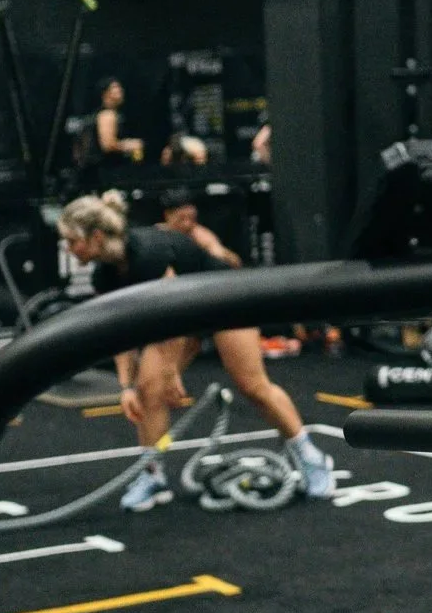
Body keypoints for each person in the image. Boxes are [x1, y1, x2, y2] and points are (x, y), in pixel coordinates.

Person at [55, 191, 334, 510]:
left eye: (71, 240)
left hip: (226, 299)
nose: (68, 248)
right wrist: (126, 387)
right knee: (148, 390)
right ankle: (152, 475)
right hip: (185, 315)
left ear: (96, 236)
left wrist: (172, 371)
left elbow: (176, 316)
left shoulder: (148, 252)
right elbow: (123, 334)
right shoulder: (104, 274)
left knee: (253, 386)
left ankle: (313, 458)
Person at [93, 79, 142, 168]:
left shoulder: (116, 114)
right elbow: (107, 145)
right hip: (107, 170)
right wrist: (128, 145)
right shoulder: (107, 115)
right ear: (105, 93)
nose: (120, 90)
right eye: (115, 87)